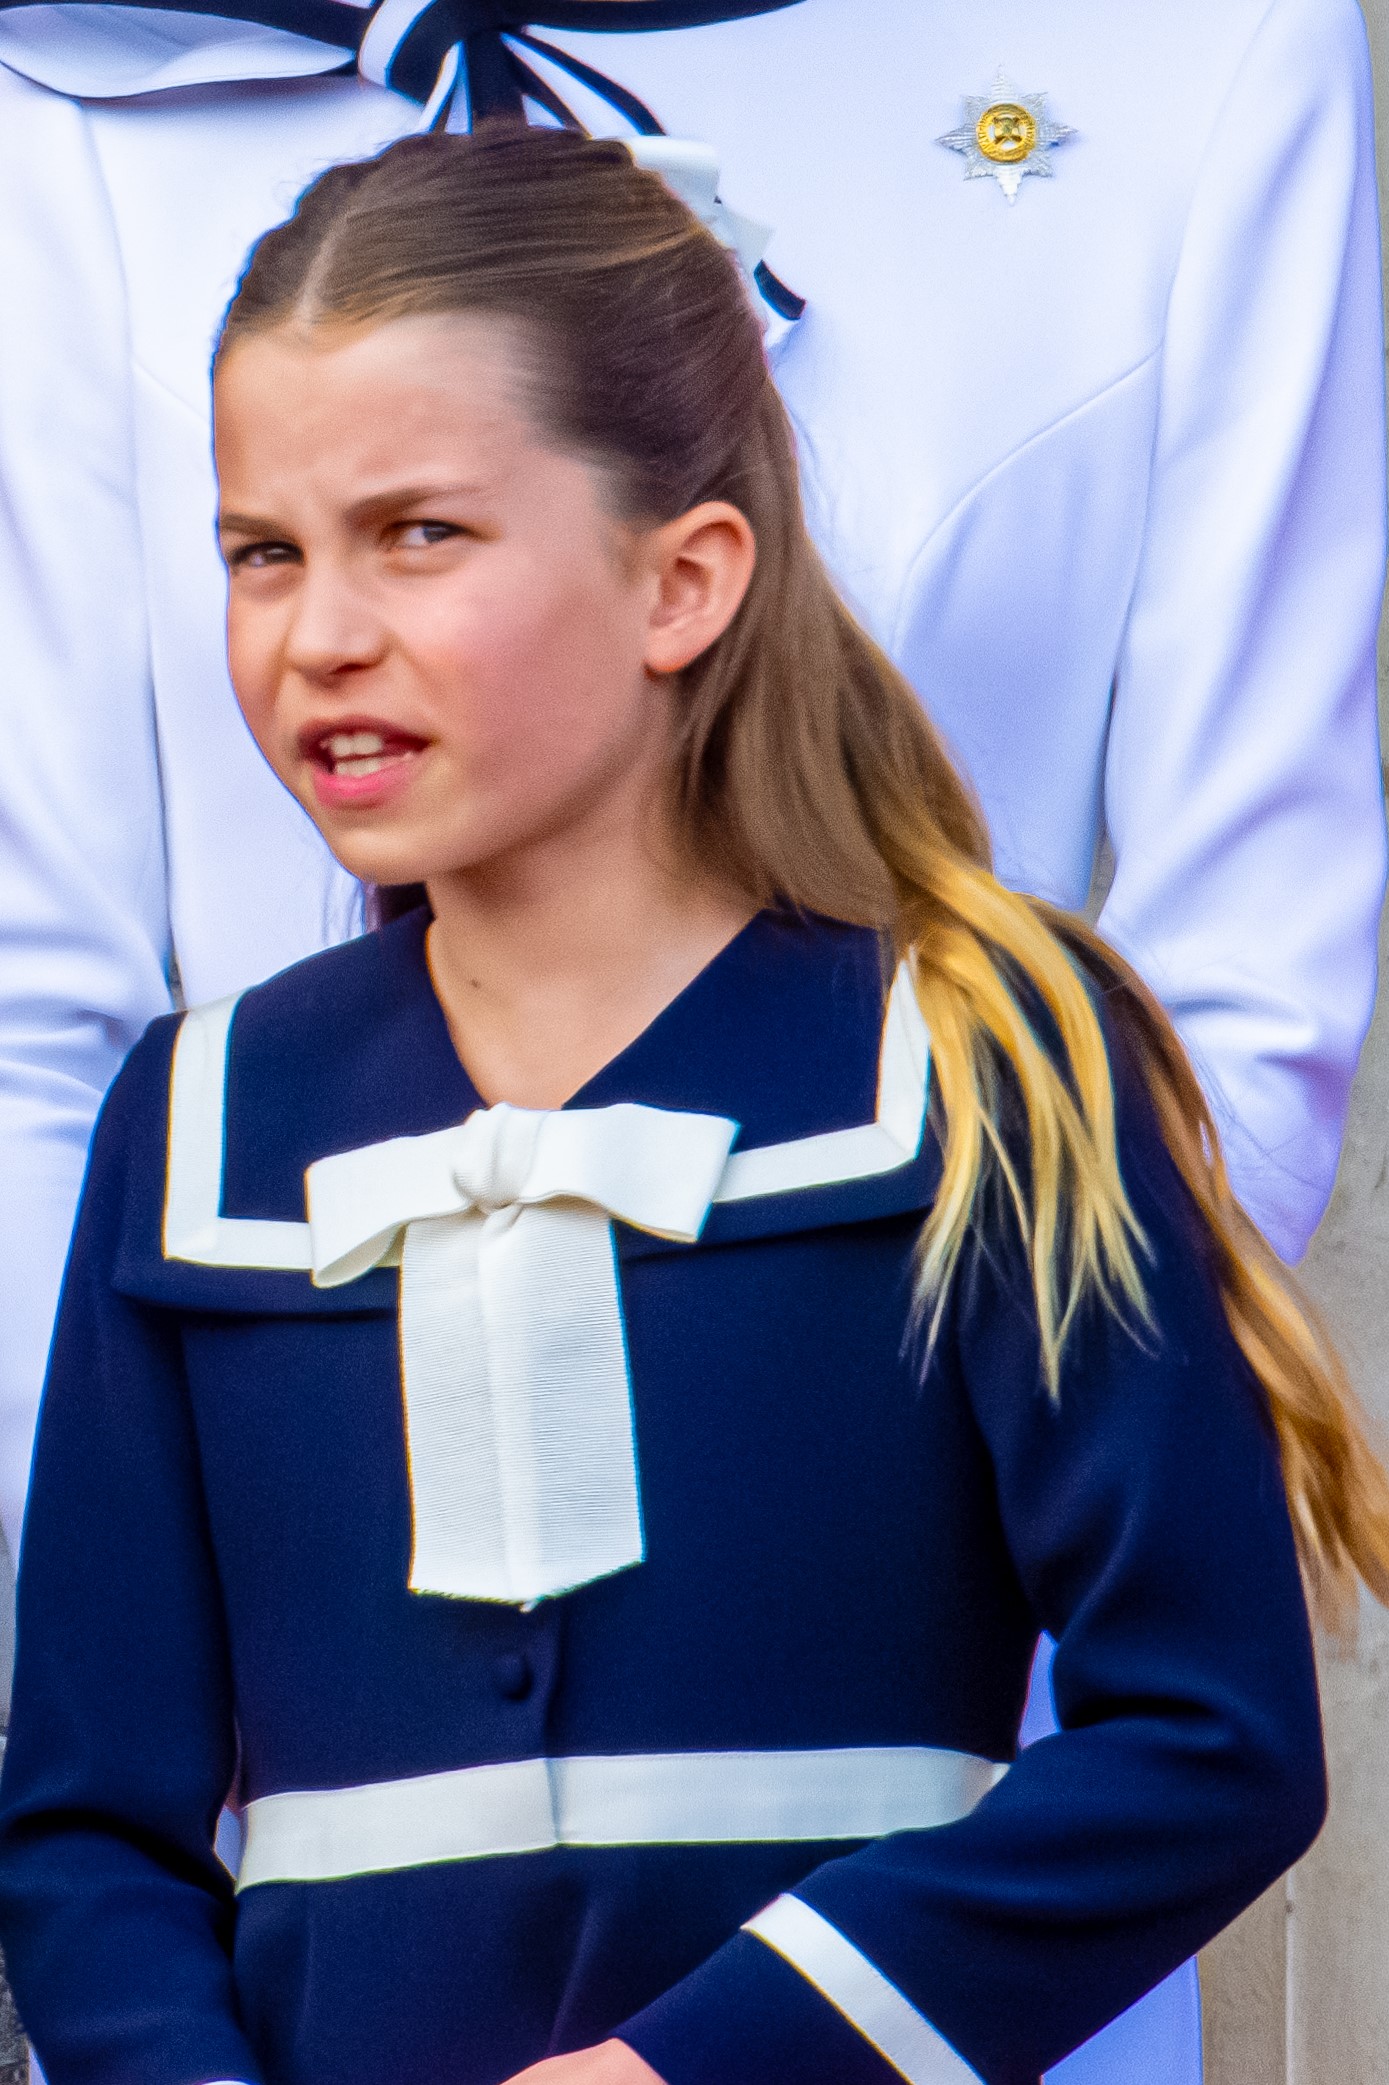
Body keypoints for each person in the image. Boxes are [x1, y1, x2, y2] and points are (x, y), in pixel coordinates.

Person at [1, 126, 1388, 2085]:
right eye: (261, 552)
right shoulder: (205, 1109)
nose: (317, 632)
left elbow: (1209, 1742)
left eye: (419, 534)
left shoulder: (987, 1049)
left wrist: (708, 2062)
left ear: (683, 580)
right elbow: (88, 1824)